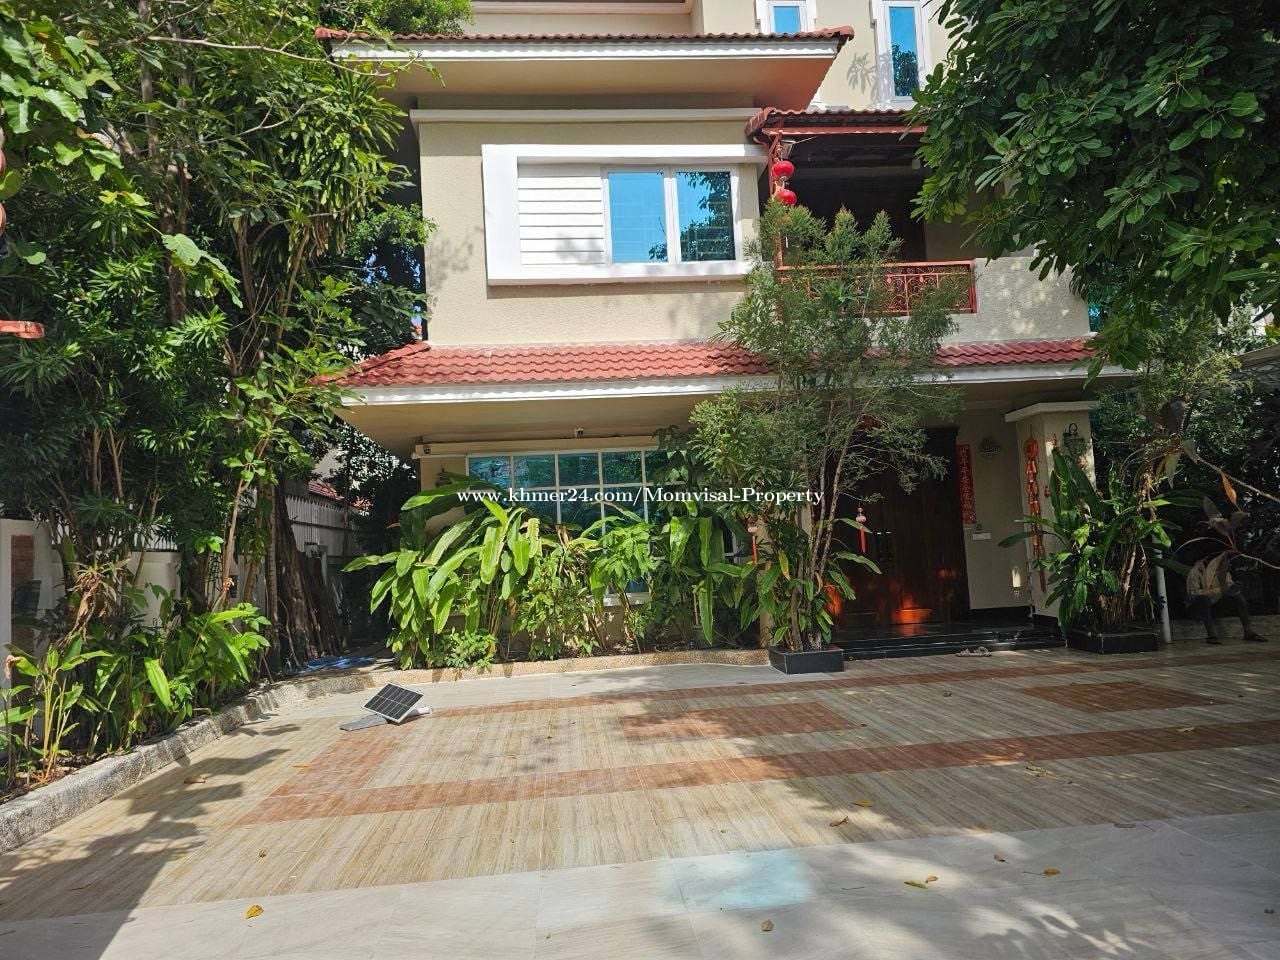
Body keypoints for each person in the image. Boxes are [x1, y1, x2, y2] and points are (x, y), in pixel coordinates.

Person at [1185, 553, 1268, 645]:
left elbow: (1228, 584)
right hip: (1198, 608)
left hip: (1215, 605)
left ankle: (1248, 632)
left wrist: (1233, 588)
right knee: (1203, 599)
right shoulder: (1196, 572)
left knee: (1238, 597)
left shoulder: (1222, 570)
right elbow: (1193, 593)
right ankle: (1211, 635)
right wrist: (1218, 590)